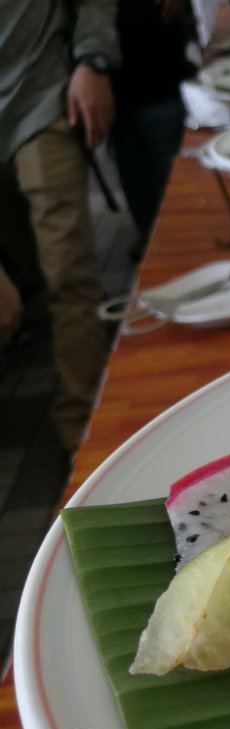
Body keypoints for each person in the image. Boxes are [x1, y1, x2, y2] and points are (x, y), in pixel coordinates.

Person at [0, 0, 120, 452]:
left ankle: (84, 423)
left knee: (68, 269)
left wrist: (93, 59)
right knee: (28, 276)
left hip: (40, 101)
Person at [110, 0, 198, 256]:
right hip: (114, 85)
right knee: (132, 169)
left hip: (162, 72)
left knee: (170, 167)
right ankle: (152, 238)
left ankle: (179, 241)